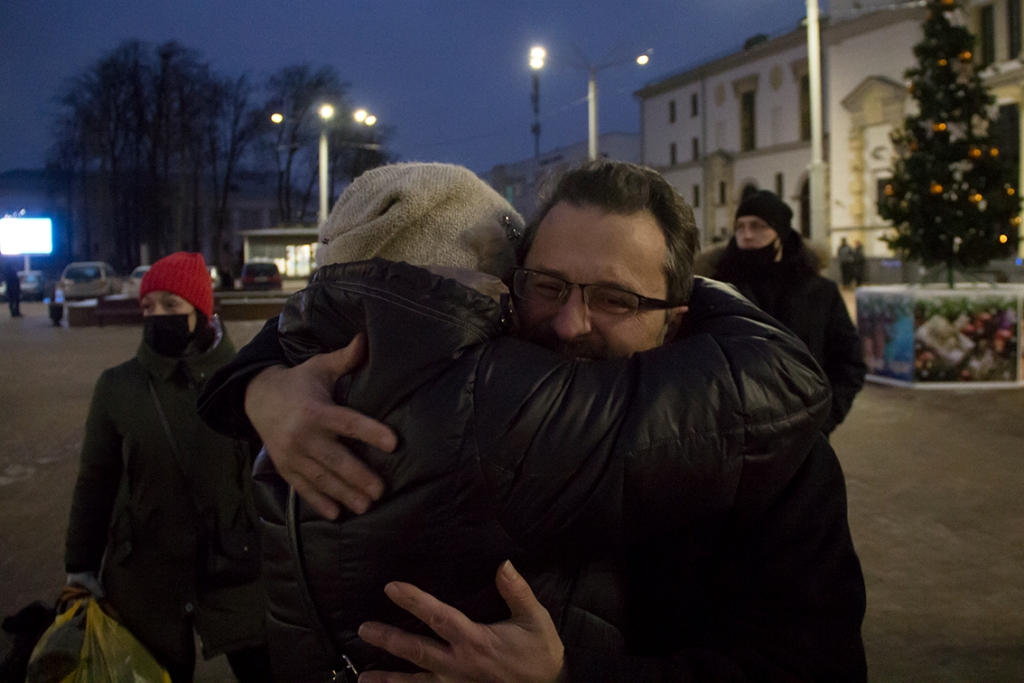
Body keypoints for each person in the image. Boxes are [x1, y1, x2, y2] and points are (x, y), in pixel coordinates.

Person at [200, 162, 866, 682]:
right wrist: (262, 386)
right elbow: (386, 313)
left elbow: (815, 669)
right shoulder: (490, 390)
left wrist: (574, 676)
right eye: (547, 285)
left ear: (677, 318)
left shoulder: (769, 454)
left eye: (615, 298)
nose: (571, 322)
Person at [63, 252, 271, 683]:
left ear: (200, 311)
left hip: (236, 573)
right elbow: (94, 482)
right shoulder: (117, 387)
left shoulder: (244, 380)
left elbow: (272, 479)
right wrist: (80, 566)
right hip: (144, 582)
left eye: (171, 305)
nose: (157, 315)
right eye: (148, 306)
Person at [697, 189, 867, 435]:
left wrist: (822, 421)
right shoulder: (714, 288)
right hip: (729, 439)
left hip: (801, 438)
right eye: (740, 227)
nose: (746, 235)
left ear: (781, 233)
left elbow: (849, 363)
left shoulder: (819, 292)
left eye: (758, 226)